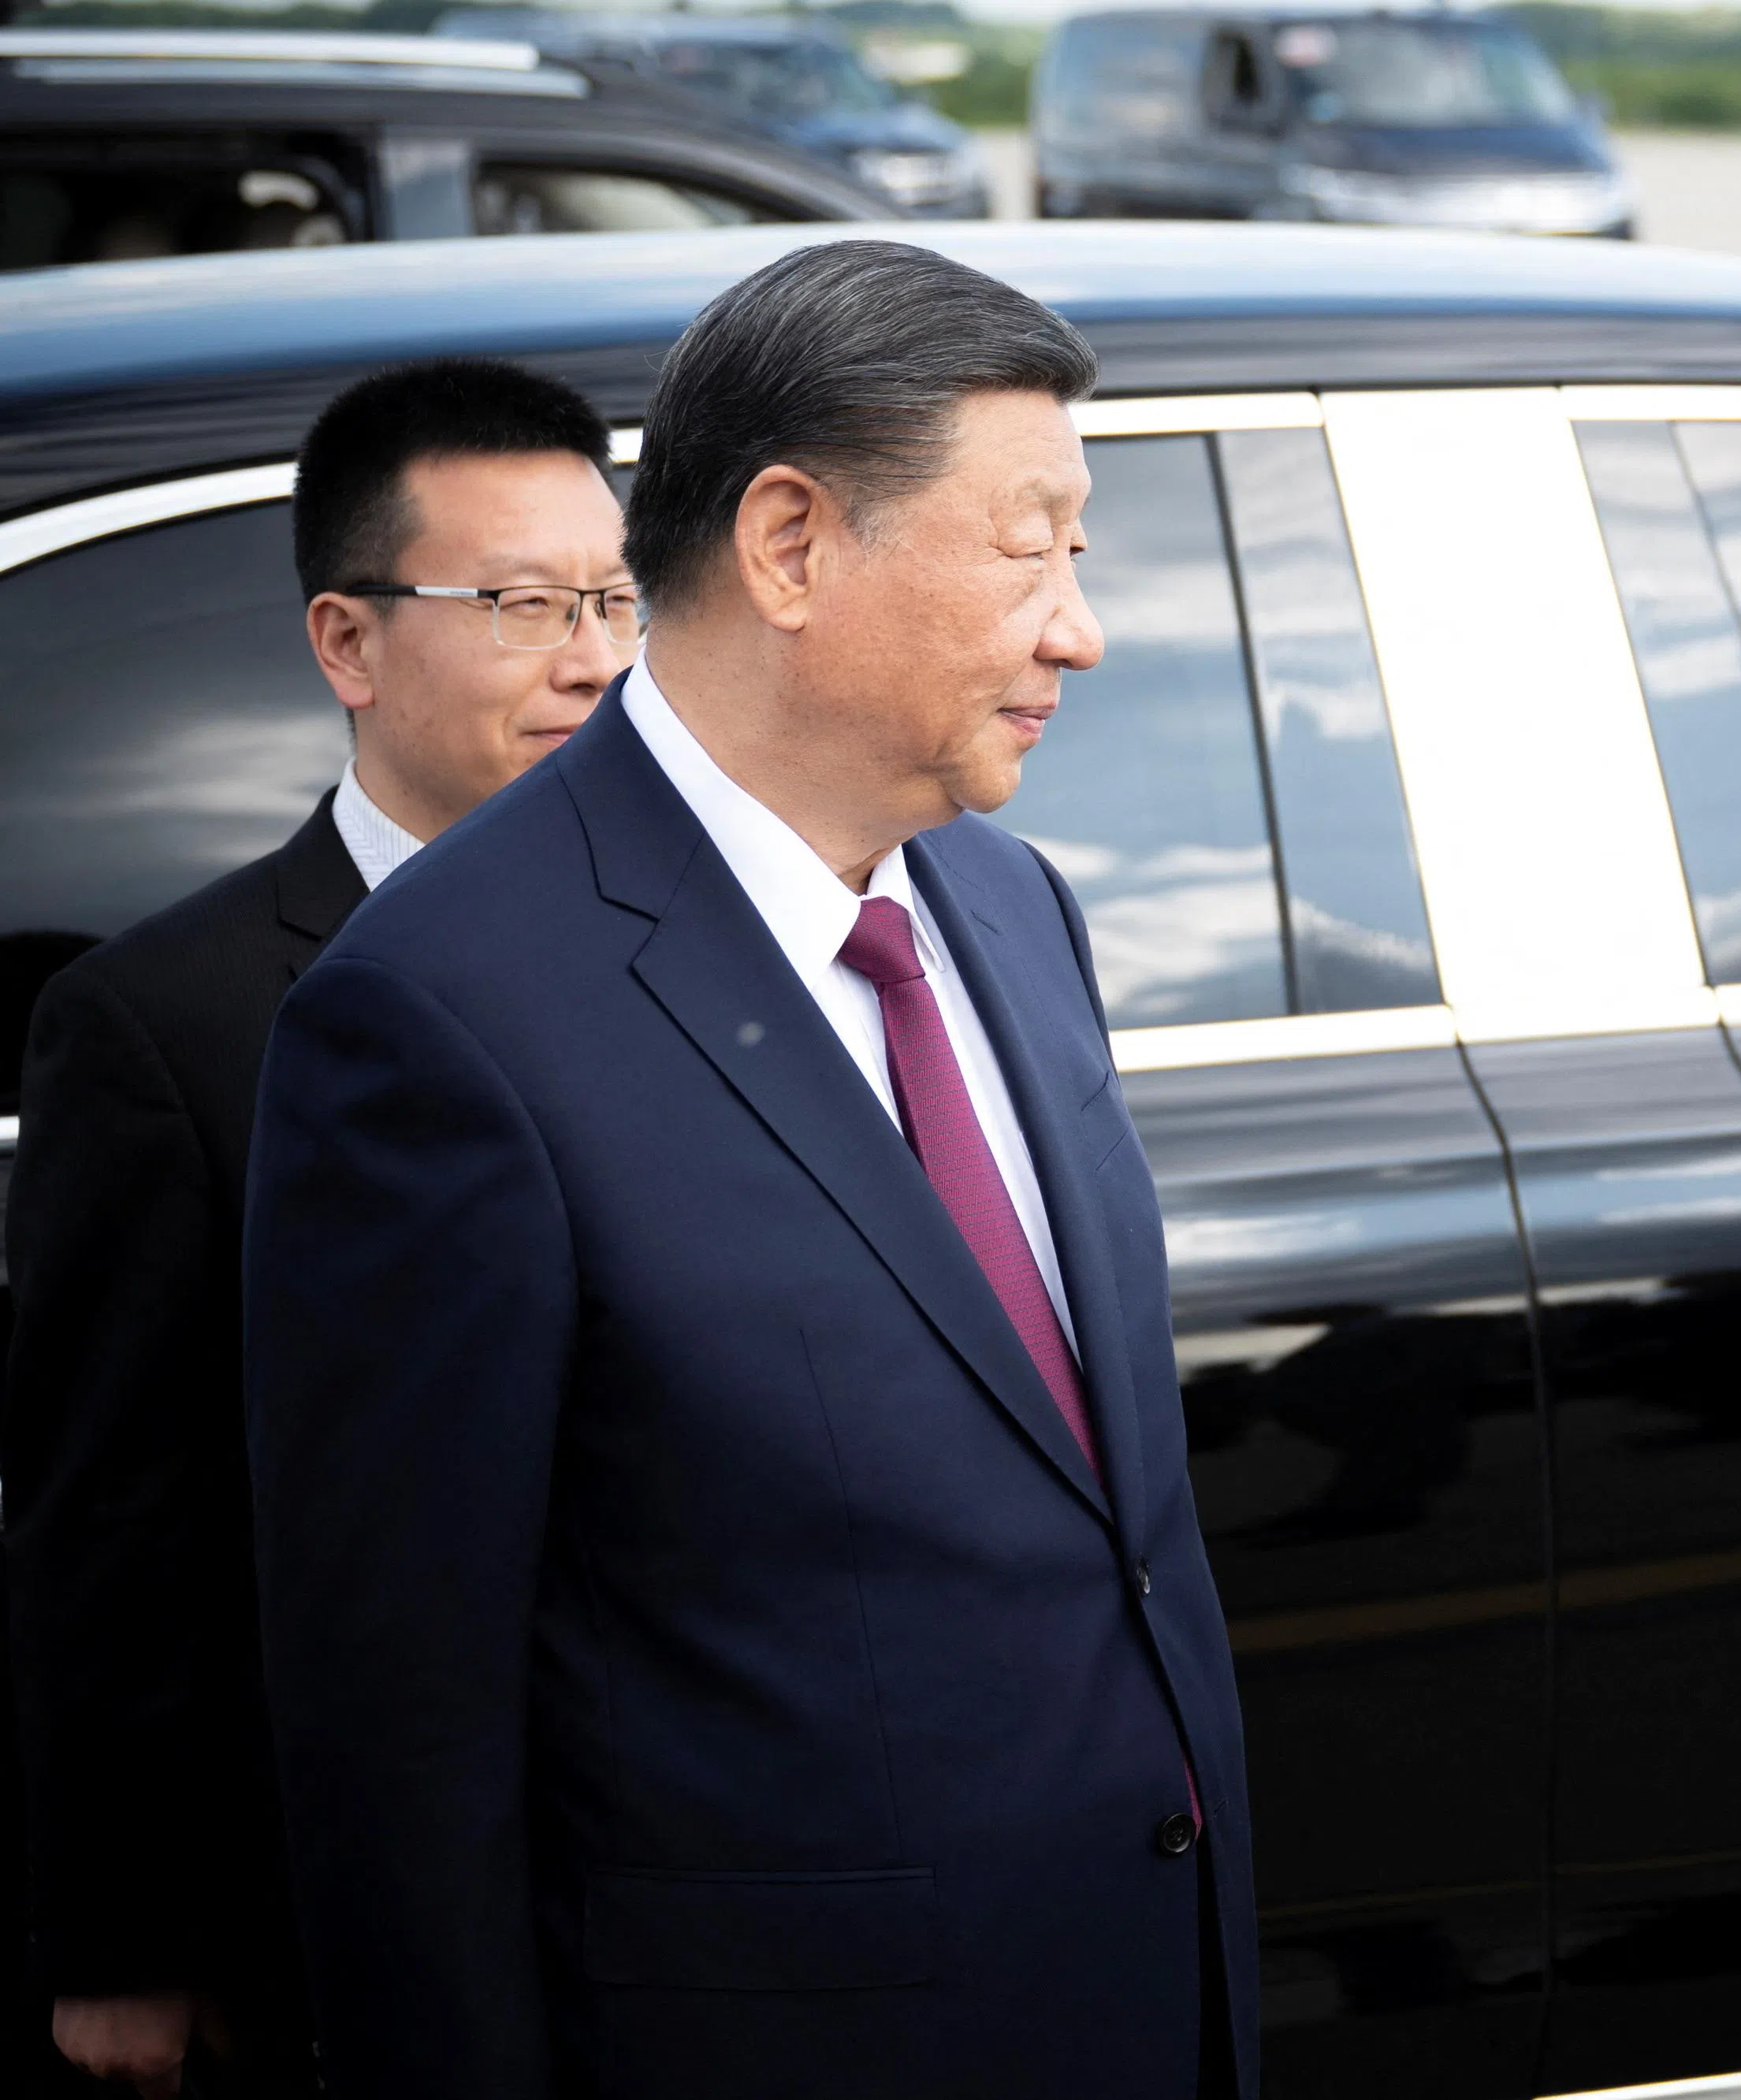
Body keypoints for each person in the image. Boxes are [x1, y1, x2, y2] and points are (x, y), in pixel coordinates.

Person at [242, 240, 1255, 2100]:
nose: (1077, 627)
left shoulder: (1010, 907)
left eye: (1079, 553)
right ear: (790, 544)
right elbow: (404, 1745)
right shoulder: (440, 1018)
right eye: (1026, 545)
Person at [3, 359, 628, 2099]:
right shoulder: (168, 1020)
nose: (592, 658)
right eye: (517, 605)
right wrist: (124, 1944)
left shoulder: (692, 952)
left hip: (670, 1870)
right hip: (346, 1912)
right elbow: (113, 1514)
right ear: (347, 644)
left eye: (611, 598)